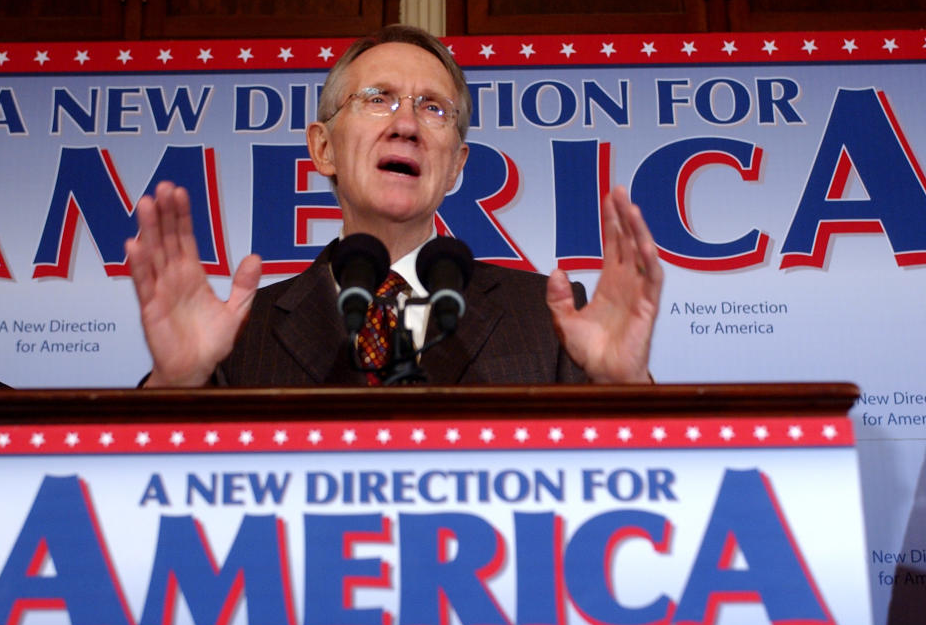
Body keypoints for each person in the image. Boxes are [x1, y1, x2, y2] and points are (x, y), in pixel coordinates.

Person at [125, 24, 663, 388]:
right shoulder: (239, 335)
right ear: (323, 147)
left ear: (456, 165)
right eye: (377, 98)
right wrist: (175, 385)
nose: (405, 125)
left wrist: (626, 388)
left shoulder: (548, 315)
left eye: (433, 108)